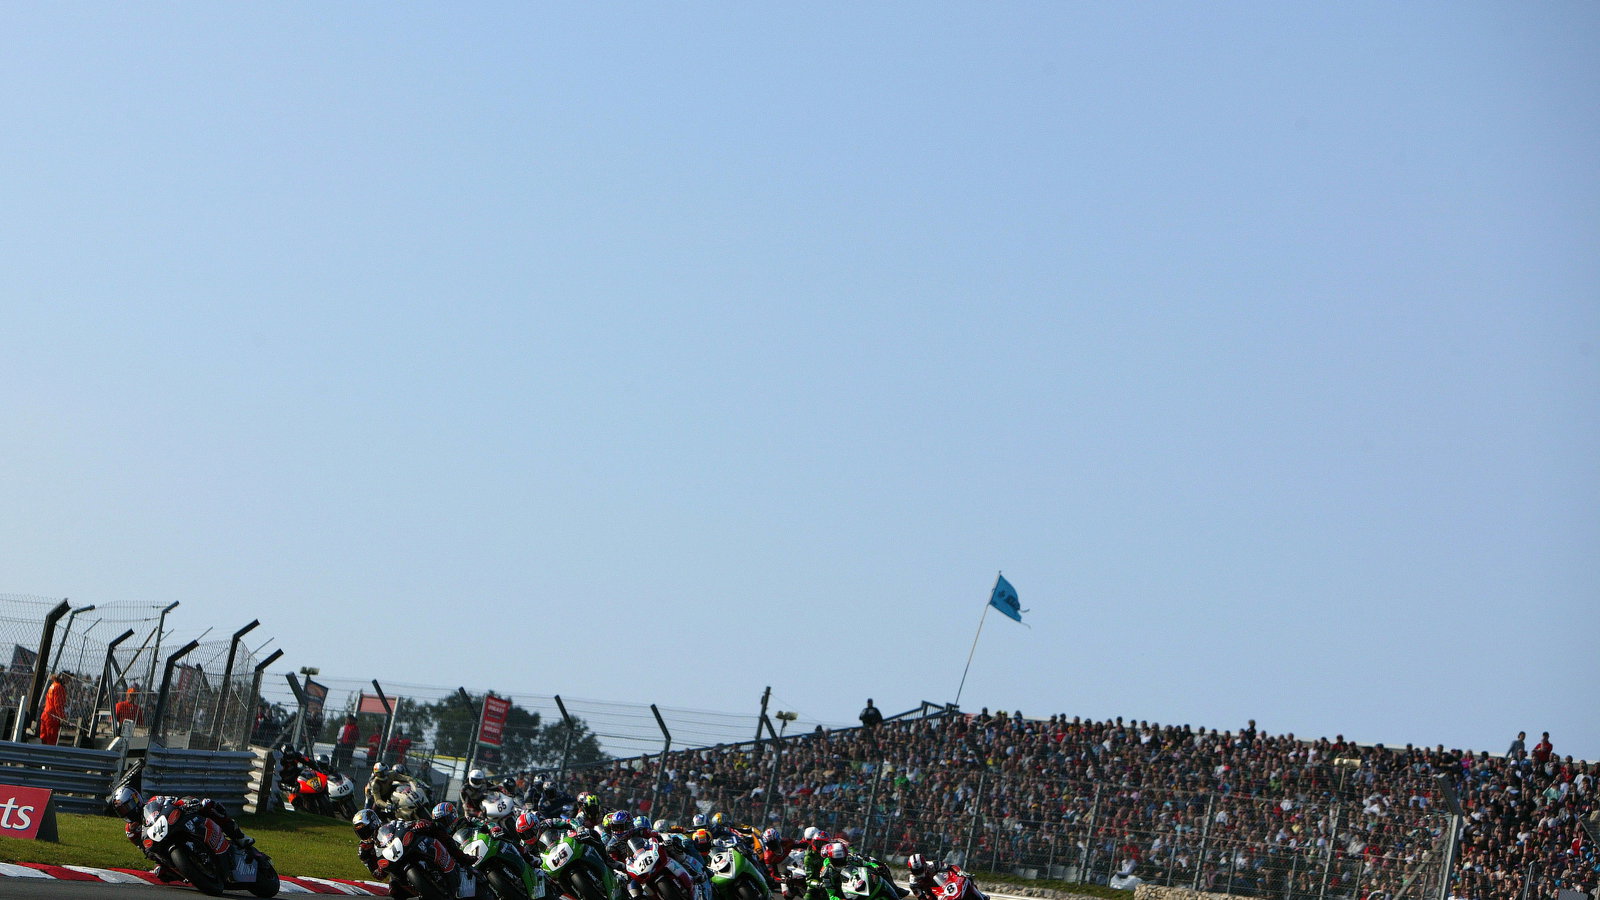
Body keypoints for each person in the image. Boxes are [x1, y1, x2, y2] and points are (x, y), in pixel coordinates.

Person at [111, 786, 257, 882]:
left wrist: (186, 803)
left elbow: (174, 801)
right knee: (159, 872)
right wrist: (151, 854)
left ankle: (239, 837)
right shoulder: (131, 830)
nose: (127, 812)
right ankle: (187, 875)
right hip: (161, 847)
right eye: (122, 811)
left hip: (175, 826)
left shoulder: (155, 800)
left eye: (127, 807)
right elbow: (144, 850)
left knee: (207, 804)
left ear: (136, 799)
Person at [38, 673, 68, 745]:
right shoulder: (59, 687)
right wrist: (62, 718)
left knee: (43, 738)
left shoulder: (53, 685)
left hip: (46, 714)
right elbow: (58, 704)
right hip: (52, 717)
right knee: (51, 740)